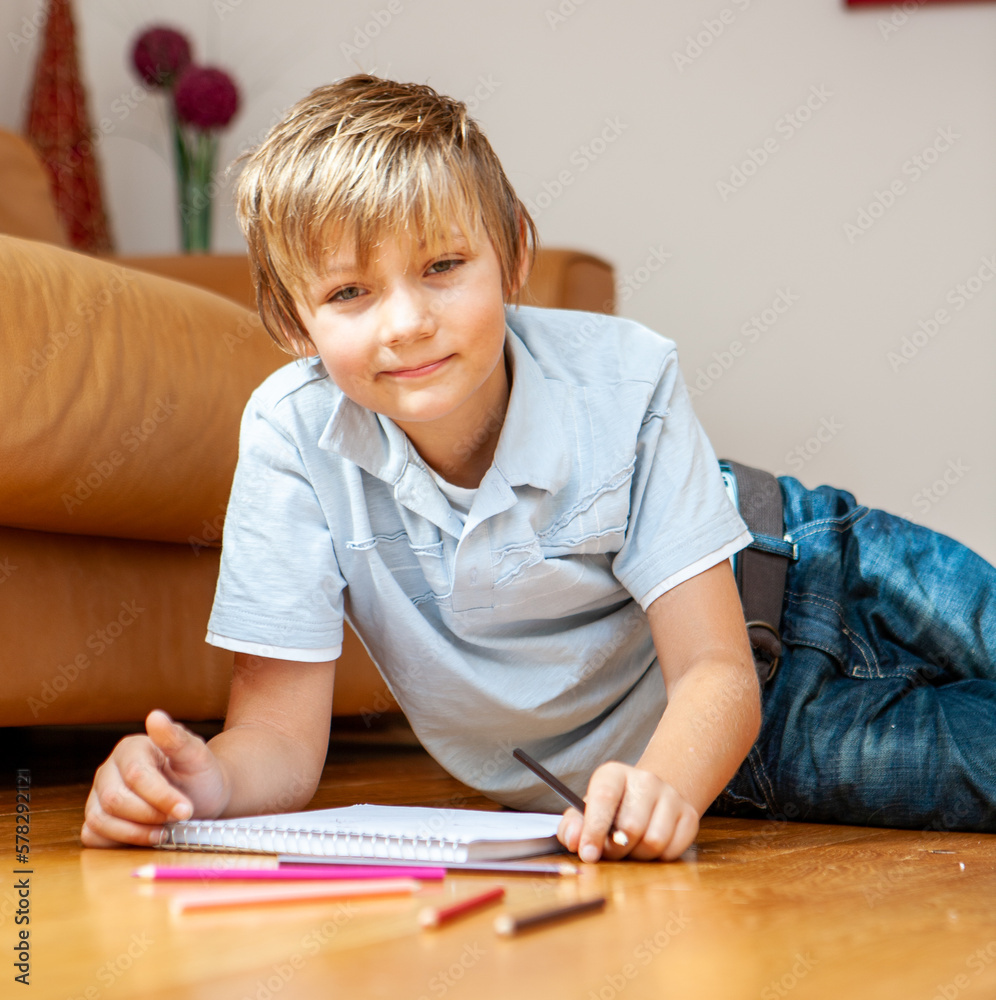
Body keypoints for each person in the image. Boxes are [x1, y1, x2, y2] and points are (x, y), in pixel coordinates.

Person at [81, 75, 996, 861]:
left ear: (514, 250)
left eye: (443, 265)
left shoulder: (625, 376)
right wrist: (204, 786)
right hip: (742, 741)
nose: (405, 323)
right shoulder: (291, 439)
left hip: (810, 554)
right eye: (350, 292)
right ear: (290, 320)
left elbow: (713, 661)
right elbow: (276, 736)